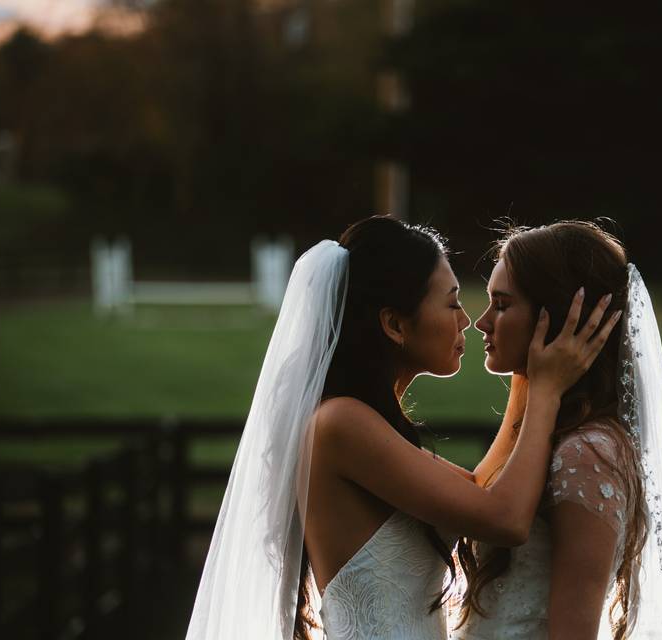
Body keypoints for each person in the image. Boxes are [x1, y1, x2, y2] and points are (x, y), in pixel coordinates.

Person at [185, 215, 621, 640]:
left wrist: (528, 375)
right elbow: (505, 518)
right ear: (395, 324)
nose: (467, 320)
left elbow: (481, 488)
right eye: (451, 302)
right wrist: (544, 391)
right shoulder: (342, 424)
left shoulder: (366, 426)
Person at [452, 221, 662, 639]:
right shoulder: (544, 432)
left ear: (557, 317)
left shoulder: (588, 453)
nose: (481, 322)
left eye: (501, 304)